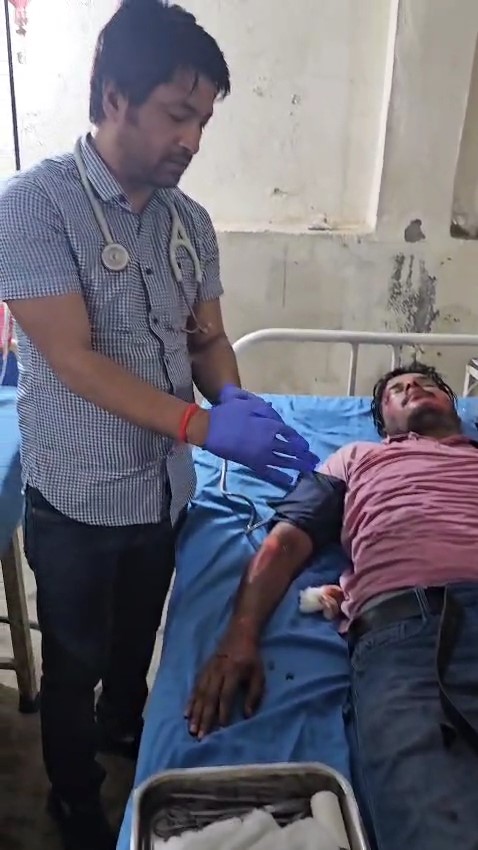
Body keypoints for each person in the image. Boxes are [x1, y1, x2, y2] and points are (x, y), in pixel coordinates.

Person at [0, 4, 317, 849]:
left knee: (138, 637)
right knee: (74, 658)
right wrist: (201, 426)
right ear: (115, 97)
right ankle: (74, 794)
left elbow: (206, 337)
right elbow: (73, 358)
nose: (194, 139)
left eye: (204, 119)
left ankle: (124, 728)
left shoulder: (189, 222)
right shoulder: (35, 207)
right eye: (179, 114)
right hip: (78, 497)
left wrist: (234, 398)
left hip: (161, 493)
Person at [186, 363, 478, 850]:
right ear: (384, 423)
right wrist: (240, 636)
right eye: (397, 390)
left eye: (427, 384)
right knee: (433, 825)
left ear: (453, 403)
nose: (413, 388)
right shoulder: (356, 459)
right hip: (413, 638)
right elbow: (283, 545)